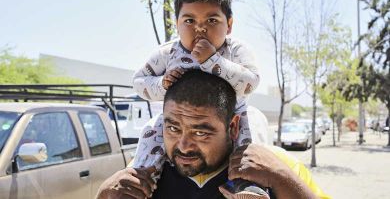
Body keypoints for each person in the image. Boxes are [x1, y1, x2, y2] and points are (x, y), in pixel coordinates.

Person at [96, 70, 329, 199]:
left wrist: (281, 178)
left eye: (200, 132)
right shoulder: (145, 169)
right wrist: (103, 195)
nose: (184, 146)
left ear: (233, 127)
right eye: (173, 128)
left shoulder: (277, 165)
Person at [132, 0, 264, 197]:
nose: (200, 28)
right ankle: (143, 179)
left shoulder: (236, 50)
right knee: (150, 133)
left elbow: (251, 82)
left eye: (211, 20)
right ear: (177, 24)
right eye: (189, 20)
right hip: (175, 114)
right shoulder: (167, 52)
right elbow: (139, 82)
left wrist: (214, 61)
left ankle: (245, 185)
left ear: (229, 24)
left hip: (233, 114)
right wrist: (162, 84)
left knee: (249, 145)